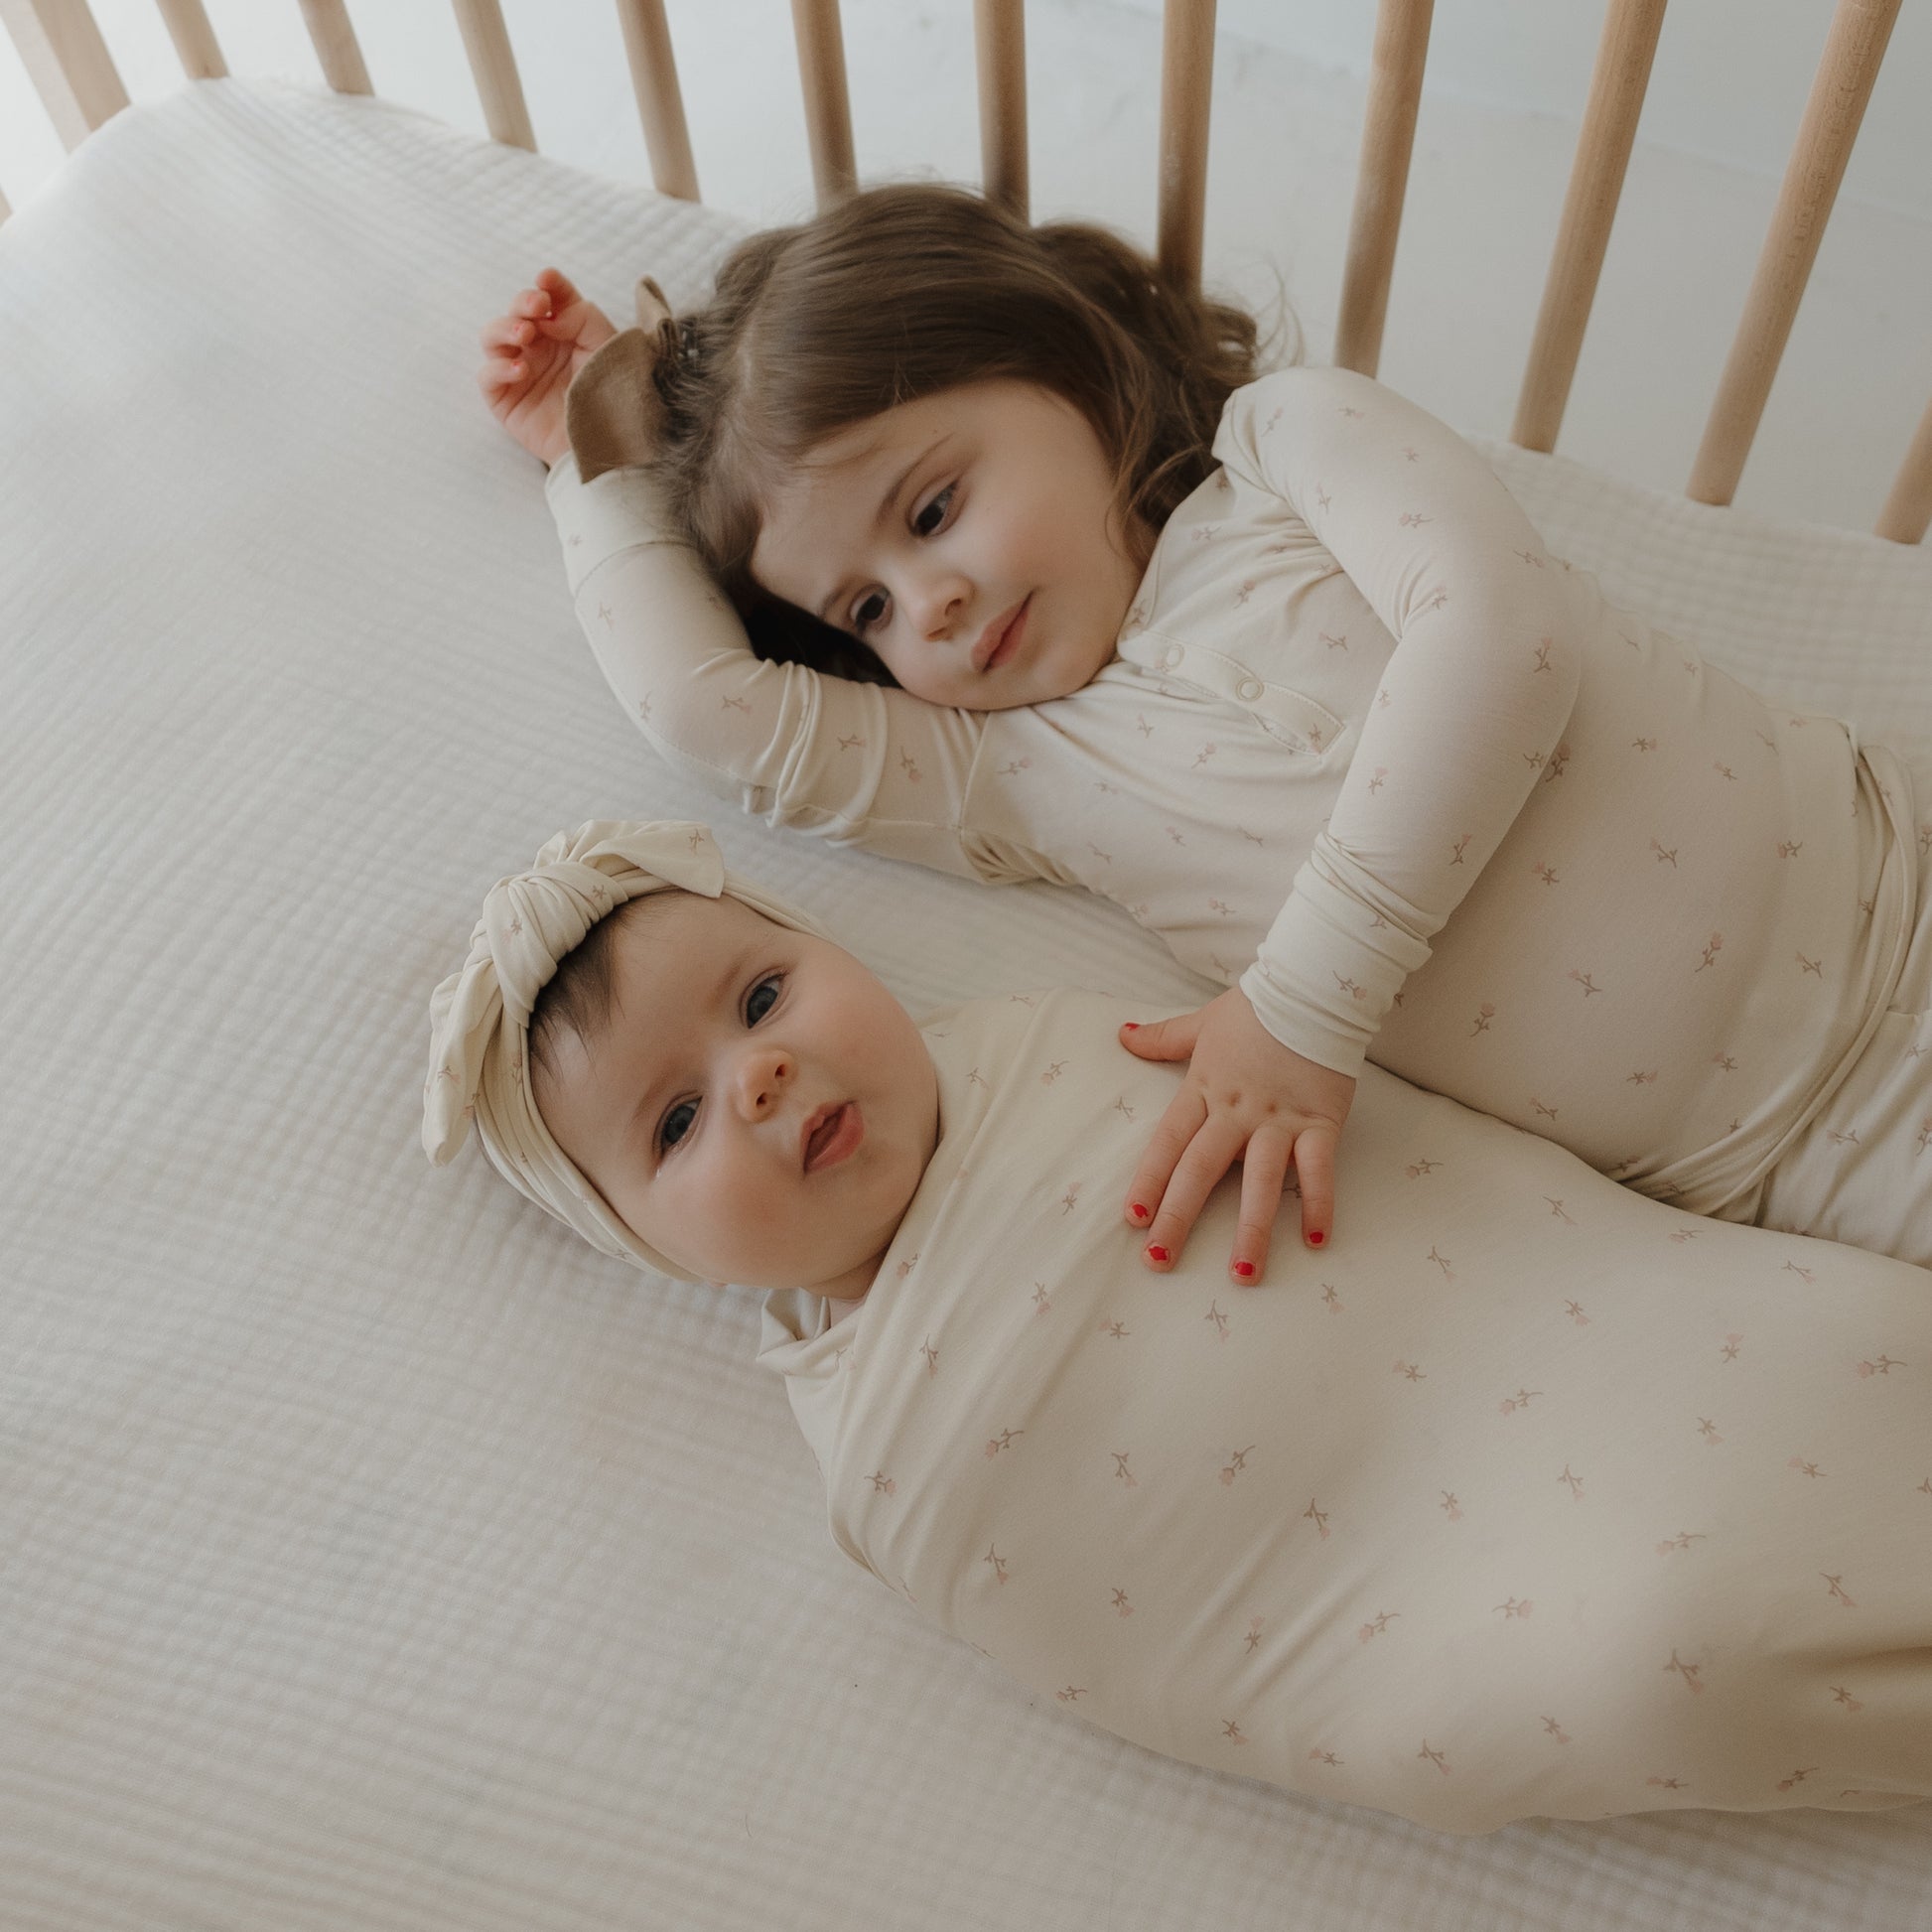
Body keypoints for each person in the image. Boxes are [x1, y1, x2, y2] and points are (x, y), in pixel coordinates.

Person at [474, 186, 1932, 1278]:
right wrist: (597, 442)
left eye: (931, 509)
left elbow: (1501, 635)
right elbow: (701, 707)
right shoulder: (1016, 775)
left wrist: (1298, 1006)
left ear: (1068, 366)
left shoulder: (1283, 450)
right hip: (1798, 1163)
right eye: (863, 609)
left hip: (1888, 875)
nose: (933, 600)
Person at [420, 818, 1932, 1835]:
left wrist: (601, 463)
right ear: (638, 1240)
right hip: (1435, 1607)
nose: (754, 1075)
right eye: (673, 1119)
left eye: (761, 994)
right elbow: (1158, 1644)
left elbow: (1375, 1136)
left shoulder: (1068, 1041)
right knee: (1662, 1654)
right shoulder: (883, 1469)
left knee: (1831, 1367)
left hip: (1586, 1335)